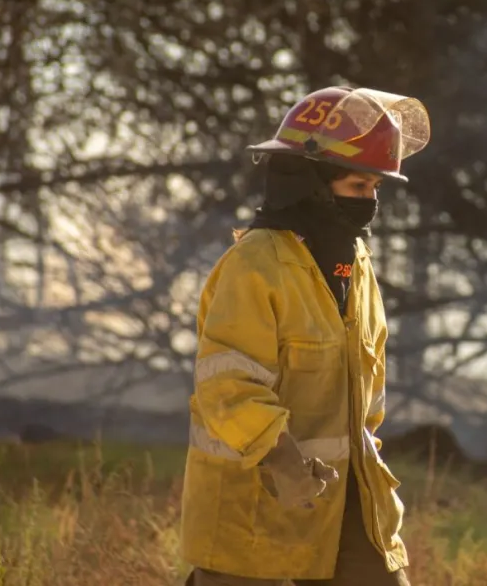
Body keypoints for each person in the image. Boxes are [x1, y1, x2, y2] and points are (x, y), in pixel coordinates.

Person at [179, 86, 431, 585]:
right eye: (359, 188)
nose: (371, 203)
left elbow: (367, 396)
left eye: (376, 190)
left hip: (349, 504)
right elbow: (227, 388)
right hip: (255, 512)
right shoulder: (254, 266)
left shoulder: (355, 267)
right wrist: (280, 454)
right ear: (311, 184)